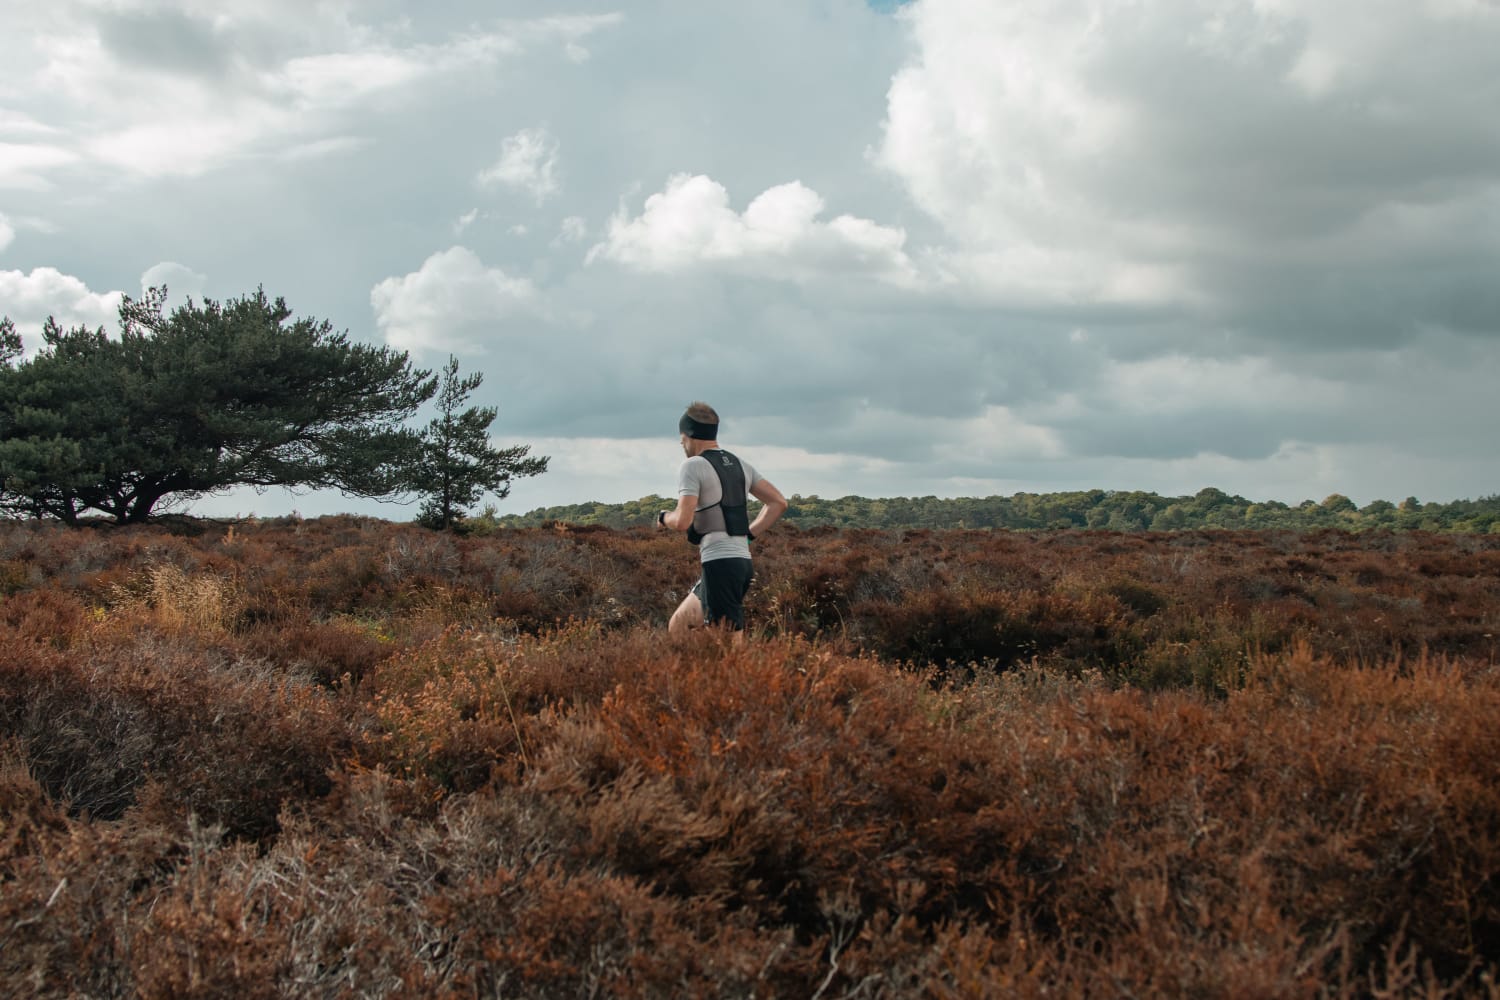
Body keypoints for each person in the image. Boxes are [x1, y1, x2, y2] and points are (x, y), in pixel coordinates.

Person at [656, 401, 788, 635]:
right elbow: (778, 503)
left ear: (689, 435)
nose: (681, 444)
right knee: (679, 626)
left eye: (682, 439)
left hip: (721, 564)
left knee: (728, 645)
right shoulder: (741, 464)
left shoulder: (693, 466)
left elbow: (682, 522)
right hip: (738, 563)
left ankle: (733, 672)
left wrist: (664, 517)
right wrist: (747, 536)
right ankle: (696, 671)